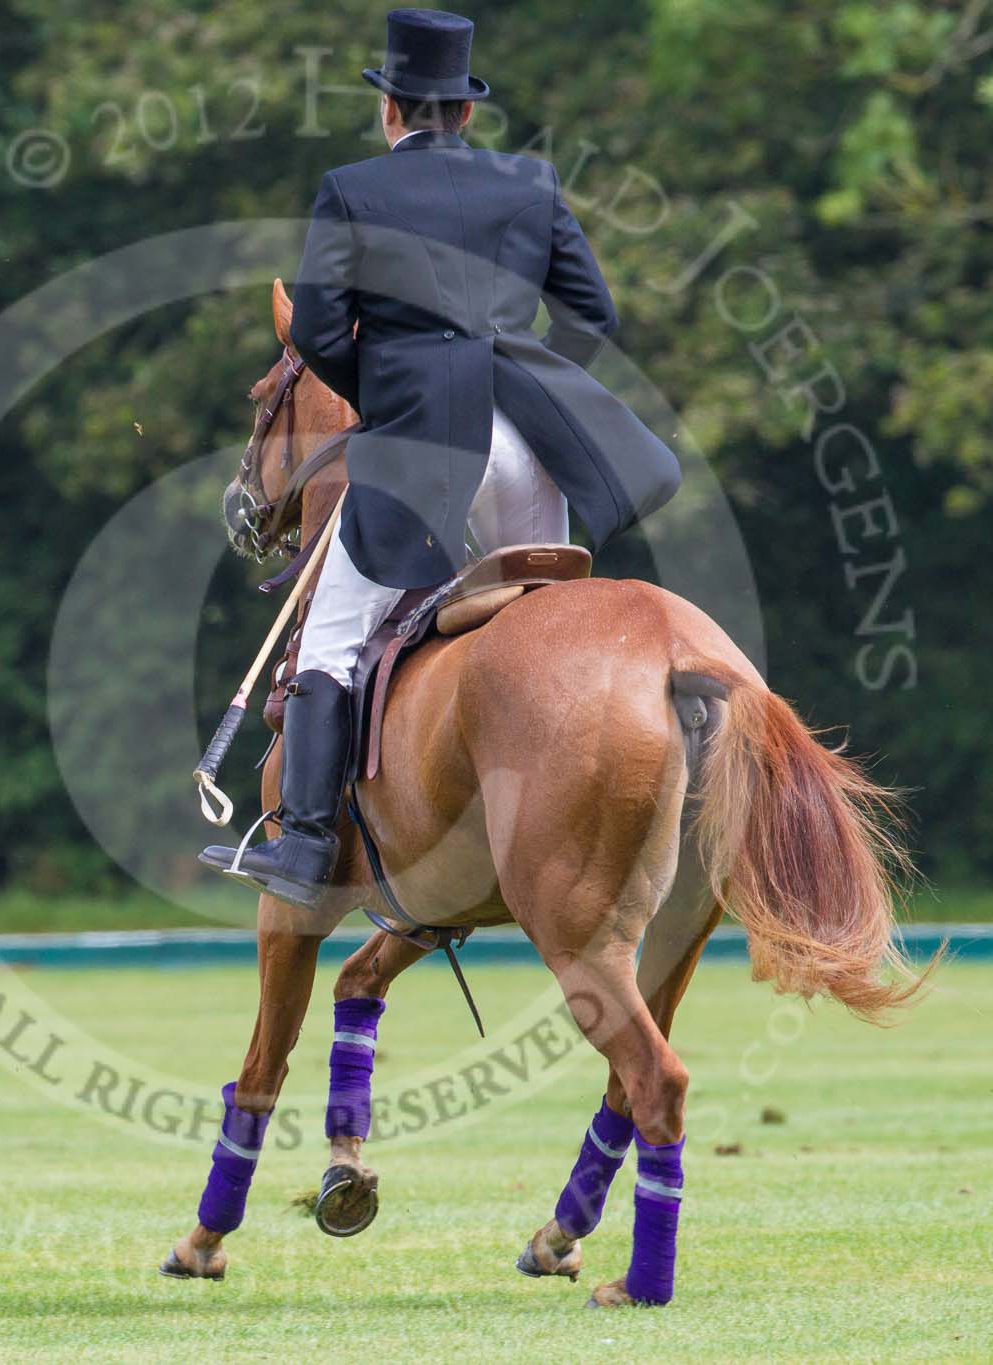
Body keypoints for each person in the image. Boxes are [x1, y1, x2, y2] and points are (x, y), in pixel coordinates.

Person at [201, 7, 682, 906]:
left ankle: (304, 845)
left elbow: (316, 333)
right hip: (527, 445)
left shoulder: (351, 189)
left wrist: (391, 397)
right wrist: (527, 384)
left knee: (331, 641)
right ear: (464, 111)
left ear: (390, 109)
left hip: (420, 448)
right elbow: (593, 316)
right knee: (547, 619)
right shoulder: (531, 183)